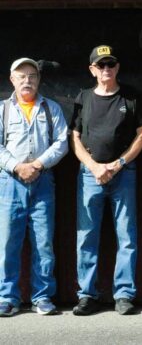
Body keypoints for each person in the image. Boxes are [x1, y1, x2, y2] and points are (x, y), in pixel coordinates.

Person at [70, 45, 142, 316]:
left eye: (111, 64)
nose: (106, 69)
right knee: (87, 236)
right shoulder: (83, 98)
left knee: (126, 236)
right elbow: (75, 138)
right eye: (101, 65)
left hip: (123, 175)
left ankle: (124, 294)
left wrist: (119, 164)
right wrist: (93, 166)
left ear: (117, 67)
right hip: (90, 176)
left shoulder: (131, 97)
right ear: (92, 69)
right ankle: (87, 295)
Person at [0, 58, 68, 317]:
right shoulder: (3, 110)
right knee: (7, 243)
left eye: (32, 76)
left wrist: (37, 165)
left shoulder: (51, 109)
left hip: (42, 182)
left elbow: (61, 142)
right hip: (9, 182)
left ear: (39, 79)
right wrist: (18, 166)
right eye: (21, 76)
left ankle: (42, 297)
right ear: (12, 80)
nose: (27, 81)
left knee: (43, 242)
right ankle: (7, 297)